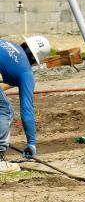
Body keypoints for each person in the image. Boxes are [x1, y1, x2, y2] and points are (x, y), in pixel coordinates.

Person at [0, 36, 50, 172]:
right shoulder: (26, 72)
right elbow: (27, 109)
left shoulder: (8, 44)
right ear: (35, 60)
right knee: (5, 111)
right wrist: (31, 143)